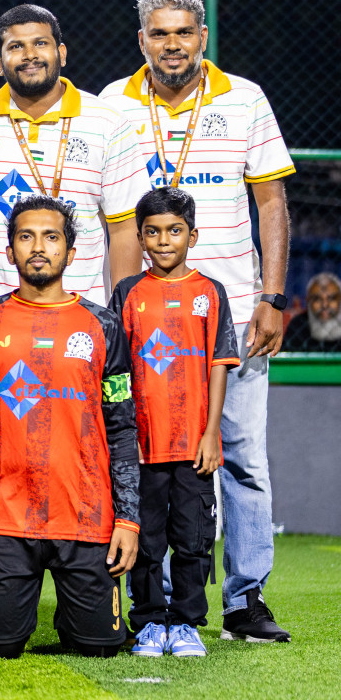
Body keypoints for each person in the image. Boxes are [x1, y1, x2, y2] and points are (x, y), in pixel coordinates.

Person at [99, 0, 296, 642]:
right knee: (142, 463)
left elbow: (271, 203)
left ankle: (245, 600)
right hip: (143, 330)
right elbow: (103, 214)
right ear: (141, 41)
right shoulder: (110, 105)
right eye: (160, 33)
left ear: (203, 36)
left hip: (230, 313)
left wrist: (271, 297)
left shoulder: (244, 99)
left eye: (184, 32)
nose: (173, 44)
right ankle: (138, 605)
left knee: (241, 457)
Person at [0, 195, 139, 658]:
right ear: (10, 251)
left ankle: (79, 612)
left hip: (84, 516)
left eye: (51, 237)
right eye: (26, 237)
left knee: (99, 646)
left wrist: (128, 519)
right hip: (5, 520)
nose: (38, 247)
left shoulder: (104, 326)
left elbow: (121, 427)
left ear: (71, 253)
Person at [0, 4, 149, 313]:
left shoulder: (108, 123)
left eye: (40, 43)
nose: (30, 54)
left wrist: (121, 314)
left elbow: (125, 227)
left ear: (62, 54)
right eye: (16, 46)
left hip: (81, 312)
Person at [111, 187, 239, 658]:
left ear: (193, 235)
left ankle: (185, 623)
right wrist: (122, 438)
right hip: (142, 447)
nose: (164, 241)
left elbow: (219, 364)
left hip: (193, 446)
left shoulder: (210, 293)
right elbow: (116, 371)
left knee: (192, 540)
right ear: (141, 238)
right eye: (153, 232)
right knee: (145, 541)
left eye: (174, 231)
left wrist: (210, 433)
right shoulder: (127, 293)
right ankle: (147, 622)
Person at [285, 273, 341, 351]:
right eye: (317, 299)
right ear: (308, 301)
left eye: (331, 298)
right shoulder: (297, 325)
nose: (325, 305)